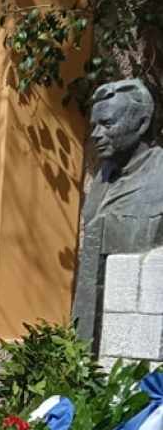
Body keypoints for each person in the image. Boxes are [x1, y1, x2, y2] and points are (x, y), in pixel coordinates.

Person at [72, 78, 163, 350]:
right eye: (94, 126)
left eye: (107, 124)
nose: (96, 134)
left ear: (142, 123)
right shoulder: (103, 178)